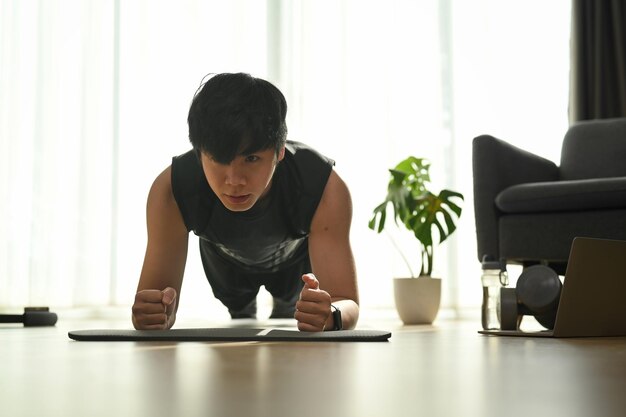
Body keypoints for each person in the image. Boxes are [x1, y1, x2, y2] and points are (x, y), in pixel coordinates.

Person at [131, 72, 359, 332]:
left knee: (297, 309)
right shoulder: (171, 189)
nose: (234, 180)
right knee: (240, 316)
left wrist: (330, 314)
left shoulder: (322, 185)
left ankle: (287, 304)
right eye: (218, 159)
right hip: (224, 263)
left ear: (280, 150)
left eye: (251, 159)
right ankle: (242, 306)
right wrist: (152, 314)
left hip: (295, 262)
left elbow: (346, 301)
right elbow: (155, 305)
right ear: (198, 153)